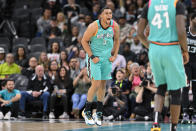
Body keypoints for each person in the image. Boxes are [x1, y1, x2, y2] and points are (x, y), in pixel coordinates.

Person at [137, 0, 189, 131]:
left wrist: (151, 46)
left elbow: (139, 33)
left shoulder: (149, 4)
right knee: (176, 91)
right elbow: (181, 32)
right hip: (171, 48)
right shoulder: (177, 4)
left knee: (161, 87)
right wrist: (185, 50)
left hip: (155, 50)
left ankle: (155, 123)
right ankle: (174, 127)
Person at [81, 6, 120, 126]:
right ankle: (86, 110)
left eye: (110, 13)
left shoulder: (115, 26)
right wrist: (92, 56)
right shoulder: (94, 26)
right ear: (101, 16)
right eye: (106, 13)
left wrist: (115, 55)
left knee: (103, 85)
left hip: (106, 58)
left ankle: (98, 112)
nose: (109, 15)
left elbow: (117, 40)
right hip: (94, 57)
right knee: (96, 83)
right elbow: (84, 41)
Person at [181, 13, 196, 124]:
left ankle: (195, 113)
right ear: (191, 19)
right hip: (186, 64)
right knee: (185, 89)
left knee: (195, 90)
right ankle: (185, 112)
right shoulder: (184, 32)